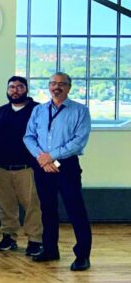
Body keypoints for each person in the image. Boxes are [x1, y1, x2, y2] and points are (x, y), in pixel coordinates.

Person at [24, 72, 93, 271]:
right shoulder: (38, 110)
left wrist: (51, 155)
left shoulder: (80, 111)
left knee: (75, 210)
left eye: (62, 84)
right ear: (48, 86)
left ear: (69, 87)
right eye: (53, 83)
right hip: (43, 166)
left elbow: (79, 141)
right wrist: (42, 158)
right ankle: (50, 249)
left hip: (67, 166)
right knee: (47, 209)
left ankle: (82, 255)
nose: (57, 87)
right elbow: (28, 137)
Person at [0, 76, 43, 256]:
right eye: (12, 87)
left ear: (26, 89)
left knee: (33, 206)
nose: (15, 90)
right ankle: (9, 237)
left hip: (28, 168)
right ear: (7, 90)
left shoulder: (38, 110)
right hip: (2, 167)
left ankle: (35, 240)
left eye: (19, 87)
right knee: (6, 205)